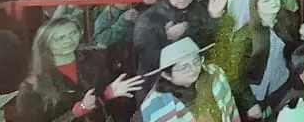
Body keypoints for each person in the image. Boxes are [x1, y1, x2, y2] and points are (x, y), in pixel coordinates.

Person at [14, 17, 145, 122]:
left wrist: (108, 95)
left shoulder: (98, 57)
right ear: (45, 44)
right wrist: (77, 111)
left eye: (73, 33)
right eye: (59, 38)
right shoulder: (32, 86)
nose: (69, 40)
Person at [137, 37, 240, 122]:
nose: (193, 69)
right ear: (166, 75)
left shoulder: (214, 74)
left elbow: (231, 111)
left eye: (196, 61)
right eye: (184, 67)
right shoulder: (156, 104)